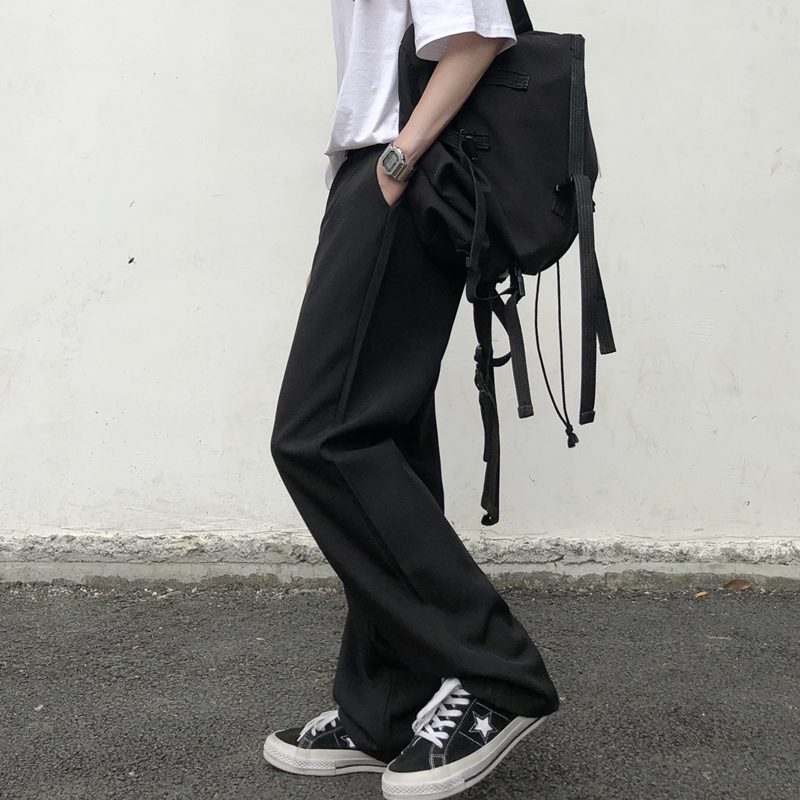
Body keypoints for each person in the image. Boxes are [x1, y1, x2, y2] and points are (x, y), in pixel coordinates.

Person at [263, 1, 560, 797]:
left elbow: (476, 34)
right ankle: (385, 707)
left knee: (321, 437)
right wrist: (354, 193)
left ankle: (497, 673)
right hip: (374, 171)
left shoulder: (397, 165)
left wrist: (393, 168)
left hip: (405, 167)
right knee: (381, 431)